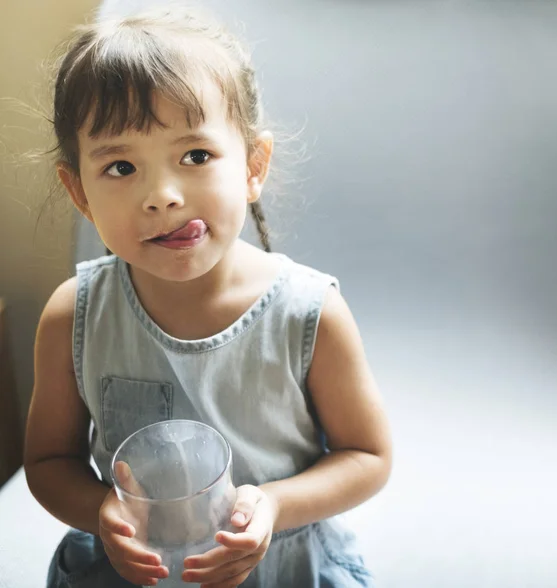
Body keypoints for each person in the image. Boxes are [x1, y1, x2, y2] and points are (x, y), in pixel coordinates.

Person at [23, 5, 393, 588]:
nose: (162, 195)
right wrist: (103, 512)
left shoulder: (310, 315)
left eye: (195, 156)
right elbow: (48, 463)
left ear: (252, 165)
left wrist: (272, 505)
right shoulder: (75, 314)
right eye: (121, 166)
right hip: (137, 570)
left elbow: (367, 458)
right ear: (80, 193)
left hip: (283, 567)